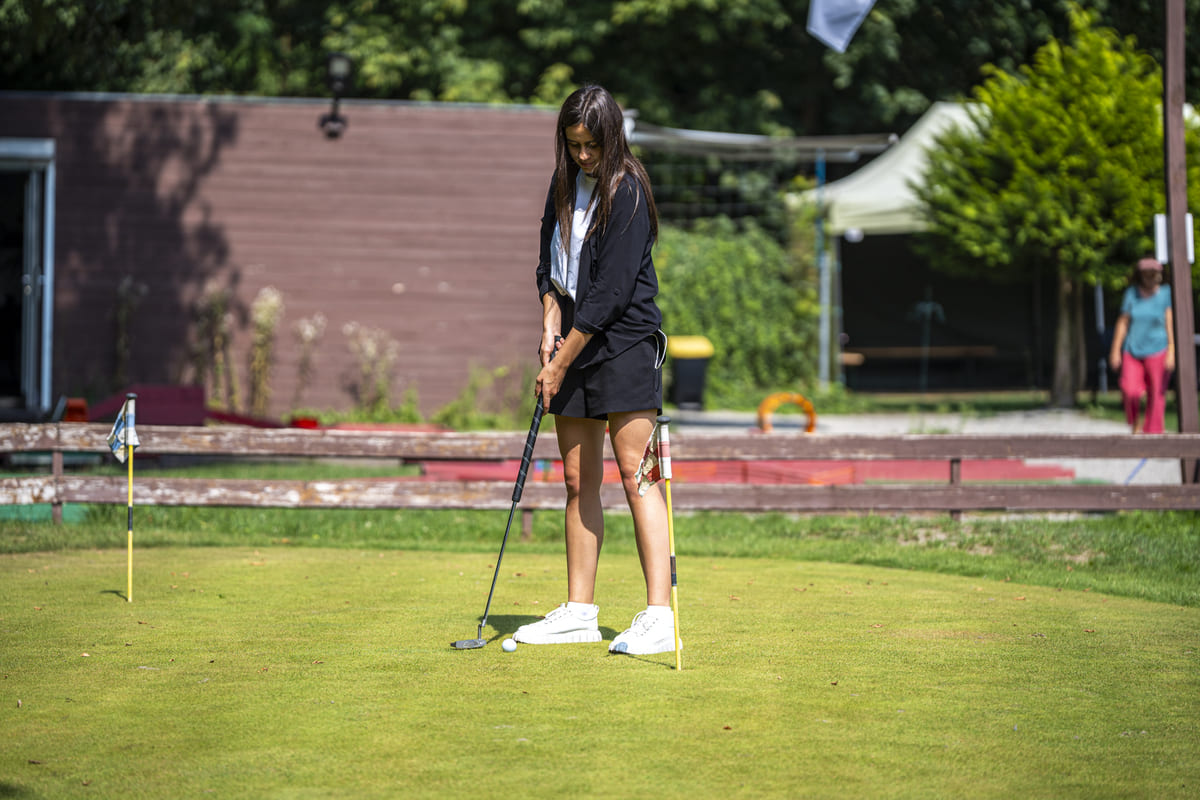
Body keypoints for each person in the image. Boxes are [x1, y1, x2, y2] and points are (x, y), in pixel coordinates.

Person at [512, 85, 677, 656]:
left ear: (612, 138)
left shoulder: (627, 189)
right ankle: (579, 612)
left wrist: (559, 362)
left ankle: (659, 616)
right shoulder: (564, 185)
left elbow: (610, 292)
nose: (583, 155)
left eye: (592, 145)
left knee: (638, 476)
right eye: (574, 144)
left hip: (625, 344)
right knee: (578, 480)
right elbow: (547, 264)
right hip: (574, 344)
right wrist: (548, 323)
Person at [1109, 257, 1175, 434]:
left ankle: (1153, 433)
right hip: (1133, 348)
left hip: (1158, 348)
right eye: (1147, 274)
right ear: (1140, 275)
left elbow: (1169, 322)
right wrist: (1115, 350)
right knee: (1129, 389)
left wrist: (1171, 350)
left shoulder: (1165, 293)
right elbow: (1123, 322)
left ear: (1159, 274)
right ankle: (1135, 423)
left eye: (1153, 273)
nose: (1150, 277)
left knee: (1157, 393)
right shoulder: (1132, 294)